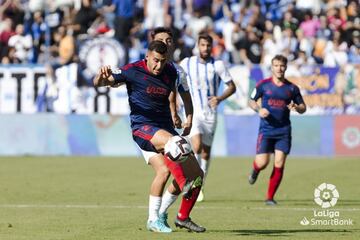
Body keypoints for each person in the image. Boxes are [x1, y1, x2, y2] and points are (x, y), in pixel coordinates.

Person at [93, 40, 206, 233]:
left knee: (196, 176)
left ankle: (166, 214)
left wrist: (187, 117)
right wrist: (101, 77)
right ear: (147, 56)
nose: (158, 65)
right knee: (176, 145)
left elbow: (183, 95)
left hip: (166, 128)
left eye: (162, 61)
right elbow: (103, 82)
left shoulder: (172, 72)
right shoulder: (133, 70)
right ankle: (153, 219)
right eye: (155, 60)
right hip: (142, 127)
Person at [179, 33, 236, 202]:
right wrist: (175, 101)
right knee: (195, 146)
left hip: (210, 115)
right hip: (193, 112)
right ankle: (193, 181)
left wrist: (219, 98)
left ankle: (200, 184)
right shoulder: (186, 63)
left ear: (212, 47)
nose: (205, 48)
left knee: (205, 152)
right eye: (202, 45)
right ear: (197, 46)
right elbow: (177, 82)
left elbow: (231, 87)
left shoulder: (217, 65)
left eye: (208, 45)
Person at [248, 54, 307, 205]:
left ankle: (269, 197)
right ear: (272, 67)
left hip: (283, 131)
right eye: (276, 66)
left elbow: (303, 107)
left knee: (279, 163)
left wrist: (296, 107)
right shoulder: (263, 85)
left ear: (286, 67)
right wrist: (259, 110)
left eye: (282, 66)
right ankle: (255, 170)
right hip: (266, 130)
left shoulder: (292, 88)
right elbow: (251, 100)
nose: (279, 68)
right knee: (262, 163)